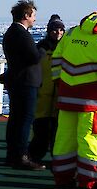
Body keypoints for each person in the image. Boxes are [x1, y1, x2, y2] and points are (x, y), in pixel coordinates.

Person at [48, 5, 97, 189]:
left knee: (64, 139)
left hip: (68, 97)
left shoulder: (71, 33)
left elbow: (56, 61)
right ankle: (88, 181)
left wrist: (62, 85)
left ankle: (62, 177)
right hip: (94, 101)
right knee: (90, 140)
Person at [1, 0, 43, 169]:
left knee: (16, 120)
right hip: (25, 82)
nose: (34, 19)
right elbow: (33, 57)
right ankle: (21, 156)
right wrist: (40, 50)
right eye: (33, 16)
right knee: (24, 120)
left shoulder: (12, 32)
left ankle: (13, 154)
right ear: (26, 15)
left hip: (17, 81)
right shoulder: (21, 33)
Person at [27, 16, 67, 164]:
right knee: (41, 127)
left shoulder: (66, 48)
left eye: (61, 29)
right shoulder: (41, 48)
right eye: (55, 29)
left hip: (59, 93)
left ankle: (58, 158)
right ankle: (34, 155)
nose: (58, 32)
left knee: (58, 129)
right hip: (43, 92)